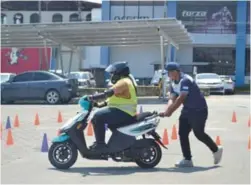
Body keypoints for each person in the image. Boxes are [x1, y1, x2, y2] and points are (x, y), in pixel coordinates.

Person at [159, 62, 223, 167]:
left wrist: (170, 112)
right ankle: (187, 159)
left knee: (199, 134)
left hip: (199, 110)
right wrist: (167, 110)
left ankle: (216, 150)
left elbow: (181, 98)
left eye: (169, 73)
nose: (168, 75)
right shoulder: (173, 82)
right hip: (187, 110)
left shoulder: (186, 80)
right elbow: (172, 98)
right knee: (182, 133)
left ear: (175, 72)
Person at [80, 61, 138, 153]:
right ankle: (112, 146)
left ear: (119, 73)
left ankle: (100, 145)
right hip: (122, 111)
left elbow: (108, 93)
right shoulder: (124, 81)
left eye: (112, 73)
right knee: (100, 116)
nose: (111, 76)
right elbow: (113, 100)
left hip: (124, 112)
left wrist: (92, 97)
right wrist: (98, 104)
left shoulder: (124, 82)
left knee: (98, 117)